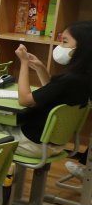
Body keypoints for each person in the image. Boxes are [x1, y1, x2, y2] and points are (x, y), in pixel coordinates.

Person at [7, 22, 92, 158]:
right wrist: (40, 68)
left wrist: (23, 63)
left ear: (81, 48)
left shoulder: (68, 79)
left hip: (32, 144)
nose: (60, 47)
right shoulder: (84, 78)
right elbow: (54, 93)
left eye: (65, 42)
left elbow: (25, 100)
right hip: (55, 145)